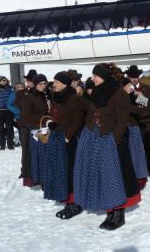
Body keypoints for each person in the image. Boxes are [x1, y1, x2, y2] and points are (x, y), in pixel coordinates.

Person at [74, 63, 140, 230]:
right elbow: (89, 112)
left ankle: (119, 214)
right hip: (95, 138)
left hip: (112, 140)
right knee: (103, 176)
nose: (93, 78)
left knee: (115, 177)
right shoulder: (95, 92)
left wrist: (113, 139)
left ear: (104, 77)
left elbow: (123, 118)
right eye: (93, 75)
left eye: (96, 76)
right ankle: (110, 211)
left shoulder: (118, 93)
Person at [43, 71, 84, 219]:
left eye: (57, 82)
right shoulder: (56, 97)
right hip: (56, 137)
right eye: (54, 82)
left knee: (70, 169)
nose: (54, 85)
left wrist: (68, 136)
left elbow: (78, 119)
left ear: (65, 84)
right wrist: (50, 122)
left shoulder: (74, 98)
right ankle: (66, 199)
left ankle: (74, 203)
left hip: (69, 140)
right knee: (59, 169)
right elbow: (51, 114)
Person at [124, 65, 150, 178]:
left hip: (144, 121)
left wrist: (139, 97)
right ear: (128, 77)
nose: (134, 79)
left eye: (136, 76)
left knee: (148, 146)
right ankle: (134, 170)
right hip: (130, 122)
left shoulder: (147, 88)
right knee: (132, 147)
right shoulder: (123, 89)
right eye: (132, 77)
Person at [121, 77, 149, 189]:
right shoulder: (120, 99)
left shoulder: (134, 96)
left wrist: (140, 95)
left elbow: (146, 106)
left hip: (134, 128)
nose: (130, 88)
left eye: (130, 86)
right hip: (125, 129)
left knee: (137, 153)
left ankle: (139, 177)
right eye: (127, 86)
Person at [24, 74, 50, 186]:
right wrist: (44, 118)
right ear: (35, 84)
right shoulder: (30, 96)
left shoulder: (46, 94)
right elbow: (26, 116)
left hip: (46, 128)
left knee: (46, 154)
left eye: (45, 83)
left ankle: (46, 178)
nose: (43, 86)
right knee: (38, 155)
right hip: (36, 129)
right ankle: (39, 179)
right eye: (40, 84)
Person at [0, 76, 15, 150]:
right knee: (1, 128)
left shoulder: (10, 88)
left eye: (6, 80)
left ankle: (10, 145)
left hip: (8, 111)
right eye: (3, 80)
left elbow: (13, 99)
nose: (5, 81)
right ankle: (2, 146)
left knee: (9, 128)